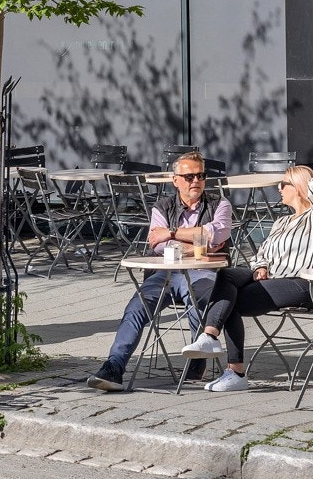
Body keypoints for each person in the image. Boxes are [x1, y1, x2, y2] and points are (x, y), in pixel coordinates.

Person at [181, 165, 313, 392]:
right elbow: (261, 254)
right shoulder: (281, 222)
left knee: (231, 301)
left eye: (284, 184)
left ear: (299, 187)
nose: (279, 188)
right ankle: (211, 337)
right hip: (270, 277)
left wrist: (306, 177)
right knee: (226, 275)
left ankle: (235, 372)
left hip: (302, 283)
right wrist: (261, 266)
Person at [86, 150, 231, 393]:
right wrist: (196, 241)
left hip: (201, 271)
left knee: (198, 300)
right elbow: (158, 244)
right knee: (136, 307)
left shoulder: (219, 204)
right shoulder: (161, 207)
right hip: (165, 274)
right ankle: (114, 366)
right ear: (175, 181)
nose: (196, 181)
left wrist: (173, 233)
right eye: (189, 177)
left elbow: (215, 233)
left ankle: (197, 361)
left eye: (201, 176)